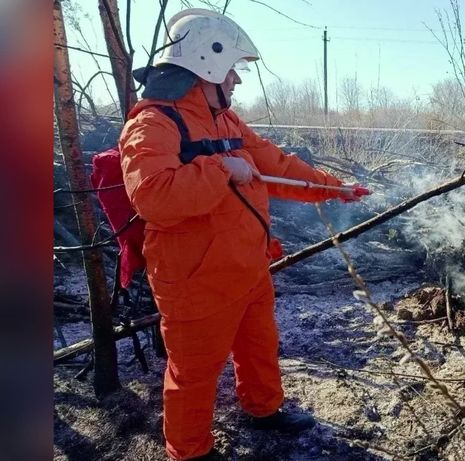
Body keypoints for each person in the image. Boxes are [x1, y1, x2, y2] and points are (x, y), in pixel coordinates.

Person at [118, 9, 360, 461]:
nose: (237, 81)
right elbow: (154, 197)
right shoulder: (151, 124)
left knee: (259, 347)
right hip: (194, 280)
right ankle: (190, 451)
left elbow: (275, 165)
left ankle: (264, 409)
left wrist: (332, 187)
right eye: (232, 70)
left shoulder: (226, 122)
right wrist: (220, 170)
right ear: (206, 64)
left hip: (247, 266)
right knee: (194, 373)